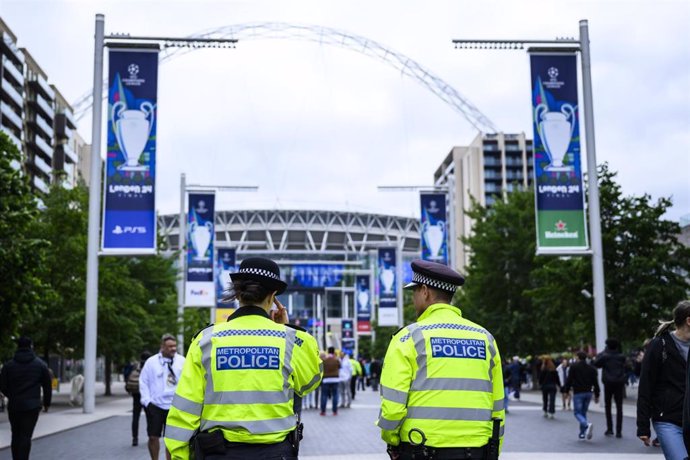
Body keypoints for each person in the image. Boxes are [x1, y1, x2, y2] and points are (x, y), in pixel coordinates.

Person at [164, 257, 322, 460]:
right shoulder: (293, 340)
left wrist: (179, 455)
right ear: (273, 296)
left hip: (217, 453)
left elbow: (185, 409)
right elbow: (310, 382)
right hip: (275, 454)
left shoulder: (205, 340)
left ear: (238, 293)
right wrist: (285, 328)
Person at [377, 260, 504, 460]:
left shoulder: (407, 338)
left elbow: (393, 408)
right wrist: (495, 447)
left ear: (425, 291)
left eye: (414, 293)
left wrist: (392, 441)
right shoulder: (485, 338)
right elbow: (497, 406)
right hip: (478, 451)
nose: (413, 300)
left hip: (421, 449)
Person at [638, 300, 690, 460]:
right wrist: (643, 426)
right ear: (689, 321)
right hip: (668, 420)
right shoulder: (659, 345)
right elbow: (645, 386)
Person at [0, 337, 52, 460]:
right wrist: (46, 403)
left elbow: (2, 386)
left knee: (15, 435)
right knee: (26, 436)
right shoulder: (40, 365)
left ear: (18, 347)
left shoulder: (8, 366)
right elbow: (47, 386)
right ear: (31, 346)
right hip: (32, 406)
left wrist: (12, 396)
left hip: (15, 406)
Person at [140, 334, 185, 460]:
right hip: (156, 405)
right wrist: (147, 402)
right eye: (170, 346)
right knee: (153, 437)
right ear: (162, 347)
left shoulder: (182, 361)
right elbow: (143, 381)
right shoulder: (151, 362)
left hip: (174, 406)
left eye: (175, 346)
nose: (173, 349)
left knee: (171, 439)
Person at [594, 338, 628, 438]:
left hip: (608, 383)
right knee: (619, 407)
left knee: (608, 406)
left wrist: (604, 352)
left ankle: (610, 428)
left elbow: (596, 363)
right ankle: (619, 431)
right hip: (619, 383)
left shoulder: (604, 356)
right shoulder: (621, 357)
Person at [564, 351, 600, 441]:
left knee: (577, 412)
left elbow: (569, 380)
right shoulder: (592, 368)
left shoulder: (574, 367)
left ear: (578, 357)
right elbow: (595, 383)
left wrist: (566, 391)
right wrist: (597, 394)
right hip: (588, 392)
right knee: (583, 413)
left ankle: (586, 425)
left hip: (578, 392)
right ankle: (582, 433)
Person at [125, 351, 152, 446]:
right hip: (147, 395)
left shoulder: (136, 366)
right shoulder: (150, 366)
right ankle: (150, 436)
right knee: (149, 417)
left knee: (135, 417)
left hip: (136, 394)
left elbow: (127, 376)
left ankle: (135, 438)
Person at [321, 346, 341, 416]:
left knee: (324, 395)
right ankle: (334, 411)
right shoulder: (336, 360)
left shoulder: (324, 360)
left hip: (326, 379)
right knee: (335, 395)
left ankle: (323, 411)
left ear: (328, 351)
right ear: (334, 351)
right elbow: (339, 367)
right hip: (335, 379)